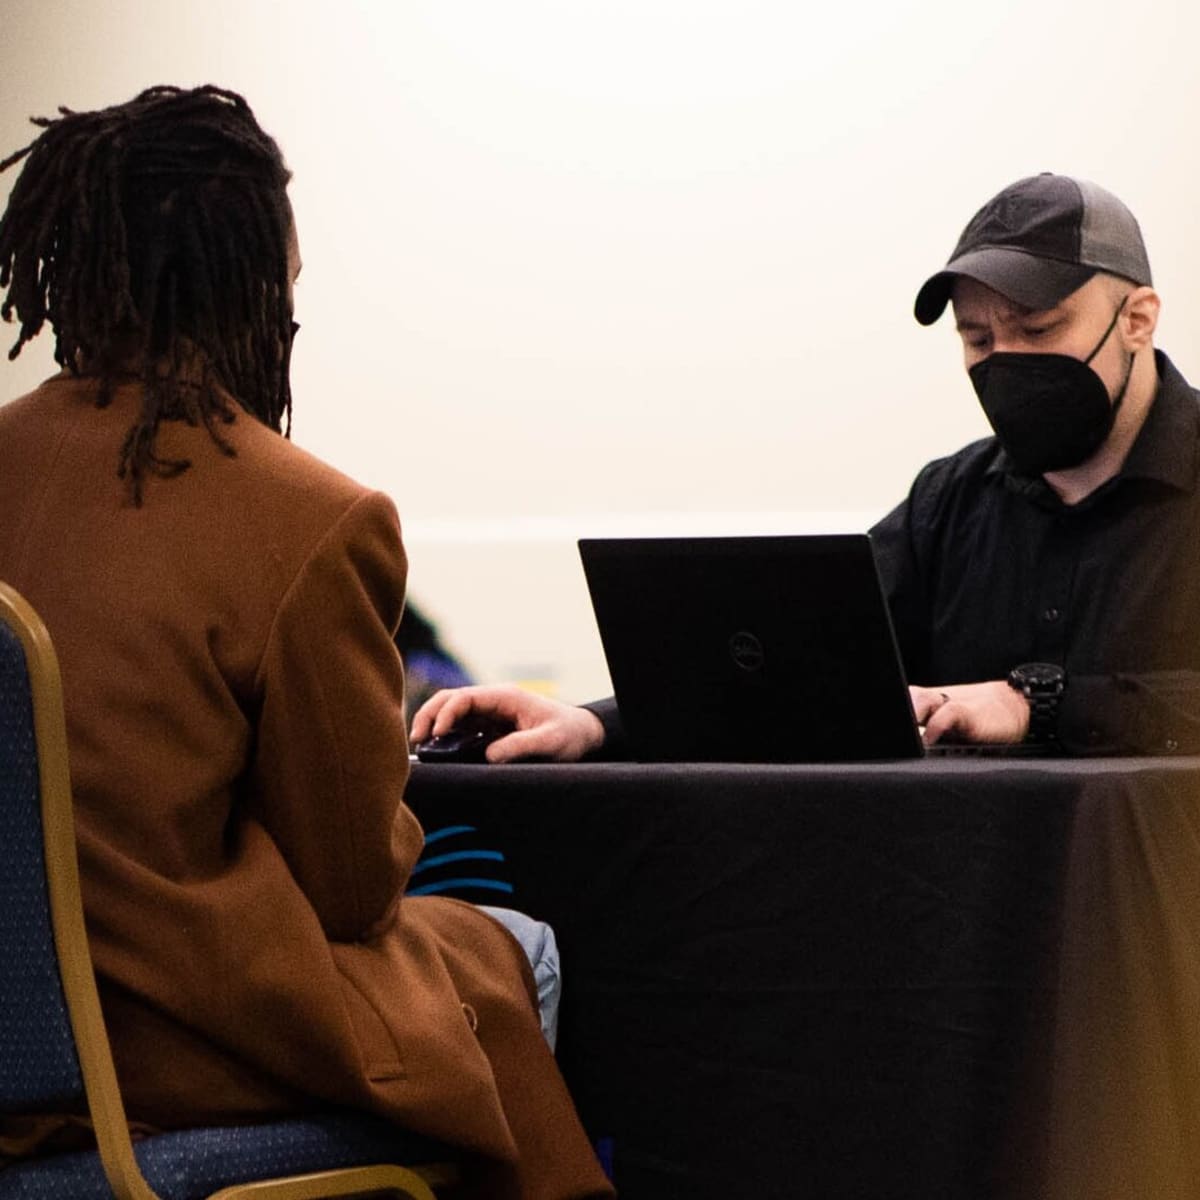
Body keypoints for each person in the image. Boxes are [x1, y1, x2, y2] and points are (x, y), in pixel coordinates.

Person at [0, 85, 612, 1199]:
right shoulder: (309, 518)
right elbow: (350, 888)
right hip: (163, 1049)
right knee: (509, 946)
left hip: (18, 1056)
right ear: (253, 279)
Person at [413, 172, 1200, 760]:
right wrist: (593, 724)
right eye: (978, 339)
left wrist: (1033, 703)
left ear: (1137, 320)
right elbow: (795, 661)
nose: (1007, 360)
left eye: (1039, 328)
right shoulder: (947, 503)